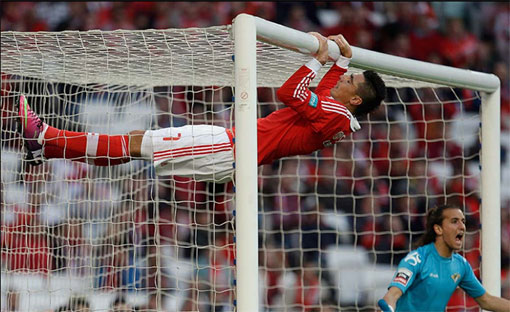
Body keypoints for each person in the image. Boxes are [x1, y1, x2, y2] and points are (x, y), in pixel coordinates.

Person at [17, 32, 386, 182]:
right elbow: (320, 92)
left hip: (230, 149)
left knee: (135, 144)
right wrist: (338, 61)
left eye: (349, 81)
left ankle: (48, 138)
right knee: (136, 142)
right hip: (231, 147)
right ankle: (48, 148)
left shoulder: (336, 114)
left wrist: (318, 61)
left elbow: (289, 92)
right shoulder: (338, 115)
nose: (342, 80)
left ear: (355, 99)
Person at [378, 204, 510, 312]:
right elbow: (392, 295)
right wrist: (388, 307)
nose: (462, 226)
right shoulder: (417, 259)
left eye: (463, 221)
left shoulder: (461, 265)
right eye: (454, 221)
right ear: (438, 229)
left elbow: (487, 301)